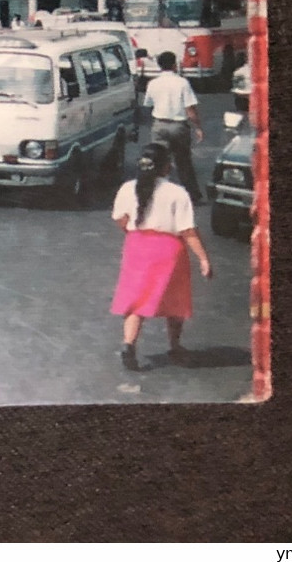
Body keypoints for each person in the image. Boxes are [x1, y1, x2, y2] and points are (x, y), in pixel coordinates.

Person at [110, 142, 213, 370]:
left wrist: (130, 230)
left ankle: (129, 345)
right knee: (175, 299)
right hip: (168, 250)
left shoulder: (128, 188)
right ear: (167, 167)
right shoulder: (177, 193)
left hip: (136, 247)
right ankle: (175, 347)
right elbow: (188, 231)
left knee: (137, 298)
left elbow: (120, 218)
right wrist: (204, 259)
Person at [143, 51, 205, 202]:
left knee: (157, 160)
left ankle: (154, 193)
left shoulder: (153, 83)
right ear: (174, 64)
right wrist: (198, 127)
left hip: (159, 126)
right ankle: (192, 195)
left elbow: (148, 104)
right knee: (183, 162)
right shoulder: (182, 83)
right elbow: (190, 110)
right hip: (178, 127)